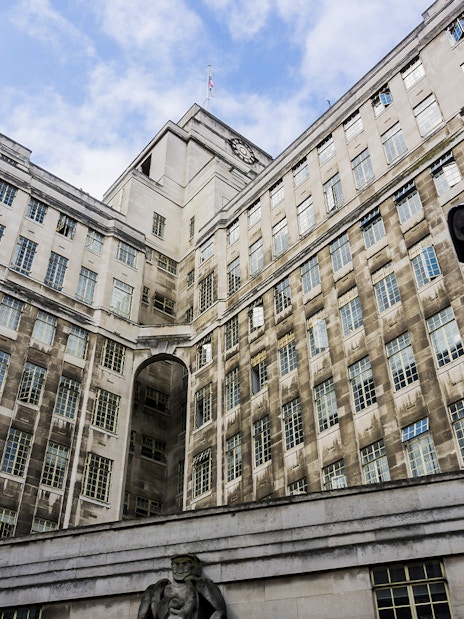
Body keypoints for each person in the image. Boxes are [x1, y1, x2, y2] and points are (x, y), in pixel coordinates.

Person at [137, 554, 227, 619]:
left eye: (186, 564)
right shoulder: (156, 589)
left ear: (195, 567)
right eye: (175, 564)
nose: (180, 568)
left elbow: (220, 612)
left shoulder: (202, 584)